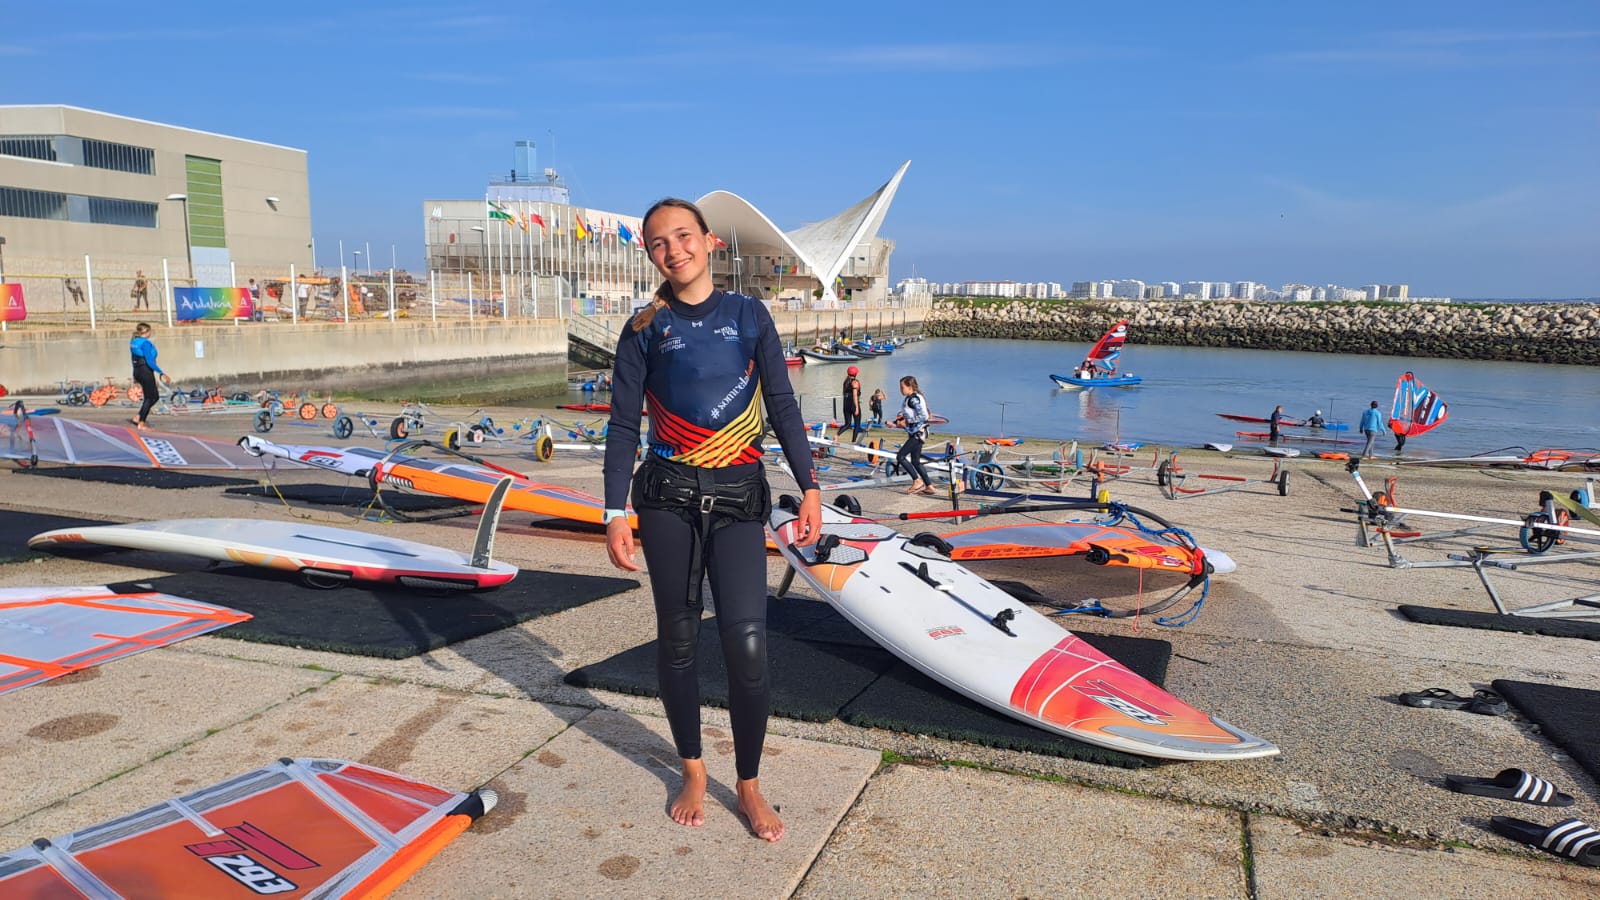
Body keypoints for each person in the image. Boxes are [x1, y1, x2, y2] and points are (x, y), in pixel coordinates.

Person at [603, 197, 821, 843]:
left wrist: (809, 485)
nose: (674, 250)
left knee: (746, 644)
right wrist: (615, 510)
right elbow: (621, 425)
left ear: (709, 241)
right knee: (677, 638)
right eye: (658, 243)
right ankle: (694, 771)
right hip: (667, 497)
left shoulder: (749, 315)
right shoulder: (643, 327)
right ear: (651, 255)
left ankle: (749, 784)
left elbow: (781, 402)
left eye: (682, 236)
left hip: (738, 499)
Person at [892, 375, 934, 494]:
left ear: (910, 387)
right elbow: (908, 416)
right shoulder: (910, 398)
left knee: (900, 456)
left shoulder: (914, 399)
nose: (901, 390)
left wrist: (906, 422)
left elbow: (923, 416)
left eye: (902, 387)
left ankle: (917, 481)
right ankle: (929, 486)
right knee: (915, 461)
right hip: (915, 432)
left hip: (919, 433)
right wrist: (895, 424)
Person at [129, 322, 172, 431]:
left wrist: (135, 374)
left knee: (155, 396)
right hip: (145, 371)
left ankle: (138, 416)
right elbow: (149, 361)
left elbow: (133, 359)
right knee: (149, 398)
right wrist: (161, 372)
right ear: (147, 332)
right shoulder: (145, 343)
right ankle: (141, 422)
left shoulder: (134, 342)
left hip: (138, 370)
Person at [839, 364, 864, 442]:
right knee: (857, 424)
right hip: (853, 404)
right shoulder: (855, 382)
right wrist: (856, 407)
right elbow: (855, 395)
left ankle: (837, 435)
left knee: (847, 424)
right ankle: (853, 441)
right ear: (855, 374)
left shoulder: (845, 382)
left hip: (846, 404)